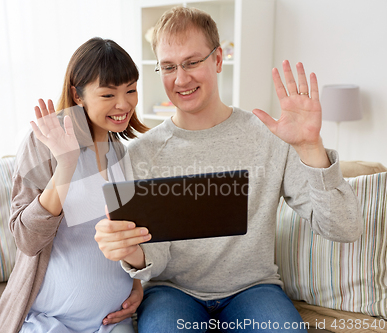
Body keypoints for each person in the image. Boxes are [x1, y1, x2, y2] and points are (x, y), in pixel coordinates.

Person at [94, 7, 363, 333]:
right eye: (168, 66)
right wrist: (132, 253)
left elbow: (344, 228)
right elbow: (154, 258)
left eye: (192, 62)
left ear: (218, 59)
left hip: (253, 289)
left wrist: (311, 148)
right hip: (172, 292)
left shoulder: (271, 138)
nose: (181, 78)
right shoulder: (139, 154)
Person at [0, 37, 149, 333]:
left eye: (131, 90)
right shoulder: (44, 142)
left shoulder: (121, 151)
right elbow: (27, 239)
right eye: (108, 95)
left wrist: (138, 285)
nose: (124, 104)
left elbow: (131, 234)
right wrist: (65, 165)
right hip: (51, 322)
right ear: (78, 95)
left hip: (113, 321)